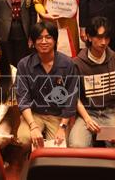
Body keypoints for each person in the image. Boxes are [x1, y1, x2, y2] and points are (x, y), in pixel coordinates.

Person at [16, 22, 79, 151]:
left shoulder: (67, 64)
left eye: (48, 37)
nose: (44, 41)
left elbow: (71, 98)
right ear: (33, 42)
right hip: (34, 114)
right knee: (24, 139)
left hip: (57, 115)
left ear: (55, 40)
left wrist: (63, 127)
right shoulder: (24, 64)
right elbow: (23, 98)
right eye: (39, 38)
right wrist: (33, 126)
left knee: (57, 148)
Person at [69, 17, 115, 148]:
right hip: (88, 114)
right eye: (99, 37)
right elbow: (74, 96)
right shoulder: (77, 63)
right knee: (76, 146)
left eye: (107, 38)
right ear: (89, 37)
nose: (103, 42)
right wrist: (87, 119)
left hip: (110, 114)